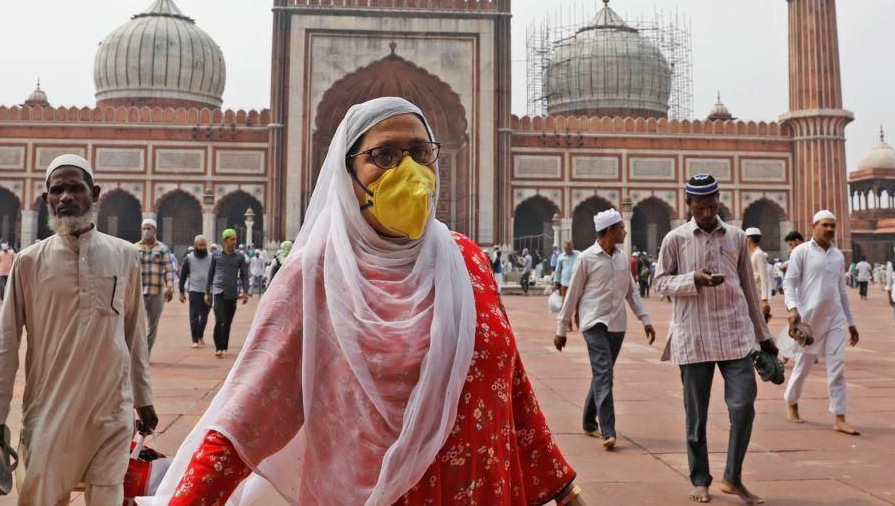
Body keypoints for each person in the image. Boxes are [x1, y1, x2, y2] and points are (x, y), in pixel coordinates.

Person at [147, 97, 584, 506]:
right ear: (346, 173)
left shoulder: (465, 259)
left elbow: (509, 386)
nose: (408, 169)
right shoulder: (315, 275)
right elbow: (247, 418)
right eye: (384, 155)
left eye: (419, 152)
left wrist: (564, 488)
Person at [0, 154, 156, 506]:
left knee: (108, 495)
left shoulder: (124, 256)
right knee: (42, 497)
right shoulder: (29, 261)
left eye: (76, 188)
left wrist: (143, 397)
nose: (66, 197)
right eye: (56, 190)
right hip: (50, 410)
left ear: (95, 193)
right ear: (46, 199)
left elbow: (134, 334)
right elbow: (5, 344)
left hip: (111, 409)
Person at [652, 174, 776, 506]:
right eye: (699, 206)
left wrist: (764, 337)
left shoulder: (736, 238)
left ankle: (732, 477)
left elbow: (749, 290)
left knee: (743, 405)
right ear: (687, 204)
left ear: (719, 200)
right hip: (694, 337)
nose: (706, 212)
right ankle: (700, 478)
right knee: (697, 415)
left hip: (735, 335)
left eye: (711, 205)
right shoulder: (675, 239)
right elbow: (659, 283)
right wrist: (693, 279)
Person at [554, 208, 655, 450]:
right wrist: (561, 328)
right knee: (604, 372)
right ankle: (608, 429)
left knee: (603, 372)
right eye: (621, 227)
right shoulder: (586, 258)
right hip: (593, 322)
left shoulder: (621, 258)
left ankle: (589, 420)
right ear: (610, 230)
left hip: (617, 324)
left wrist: (646, 319)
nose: (625, 231)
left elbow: (631, 292)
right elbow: (573, 293)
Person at [779, 211, 859, 435]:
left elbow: (841, 292)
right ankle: (792, 402)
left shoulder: (838, 256)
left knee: (837, 367)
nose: (830, 230)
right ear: (813, 226)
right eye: (825, 225)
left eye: (833, 226)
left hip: (834, 319)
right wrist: (792, 307)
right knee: (802, 366)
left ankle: (840, 416)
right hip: (809, 321)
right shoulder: (801, 252)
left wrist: (850, 322)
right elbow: (789, 282)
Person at [205, 228, 248, 358]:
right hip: (218, 291)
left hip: (232, 292)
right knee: (220, 320)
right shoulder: (216, 255)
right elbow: (210, 274)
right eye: (232, 239)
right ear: (225, 241)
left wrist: (245, 292)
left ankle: (224, 347)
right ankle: (218, 348)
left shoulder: (240, 257)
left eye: (235, 239)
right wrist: (207, 292)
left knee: (228, 322)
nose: (234, 242)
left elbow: (244, 275)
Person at [137, 219, 173, 354]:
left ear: (155, 231)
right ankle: (137, 351)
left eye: (149, 228)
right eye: (144, 228)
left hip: (156, 291)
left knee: (152, 325)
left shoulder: (162, 249)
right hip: (138, 292)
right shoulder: (135, 248)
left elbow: (169, 269)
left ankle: (146, 352)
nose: (146, 231)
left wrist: (169, 287)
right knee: (136, 325)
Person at [178, 235, 212, 348]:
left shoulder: (212, 257)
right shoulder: (189, 258)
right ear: (195, 245)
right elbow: (183, 276)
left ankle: (200, 334)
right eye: (200, 245)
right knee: (194, 315)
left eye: (204, 245)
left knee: (205, 316)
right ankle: (195, 340)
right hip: (194, 290)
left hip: (208, 291)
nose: (202, 247)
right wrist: (181, 292)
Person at [745, 227, 772, 321]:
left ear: (749, 239)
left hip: (758, 294)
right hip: (753, 292)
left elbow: (764, 277)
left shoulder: (759, 254)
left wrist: (765, 299)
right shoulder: (753, 254)